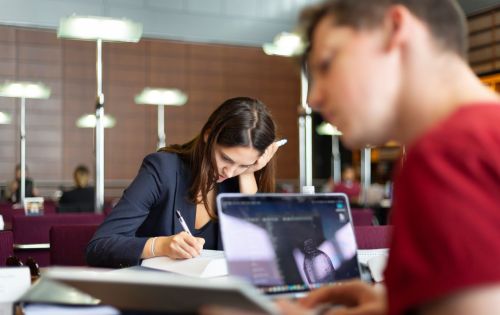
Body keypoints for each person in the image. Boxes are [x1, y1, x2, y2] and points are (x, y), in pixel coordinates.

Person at [204, 0, 500, 314]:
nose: (312, 98)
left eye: (327, 63)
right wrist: (393, 305)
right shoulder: (482, 138)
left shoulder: (448, 156)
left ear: (395, 29)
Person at [86, 97, 280, 268]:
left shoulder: (237, 183)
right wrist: (160, 246)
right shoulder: (163, 169)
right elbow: (100, 246)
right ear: (208, 135)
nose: (229, 172)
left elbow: (257, 259)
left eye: (242, 165)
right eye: (226, 158)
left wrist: (248, 174)